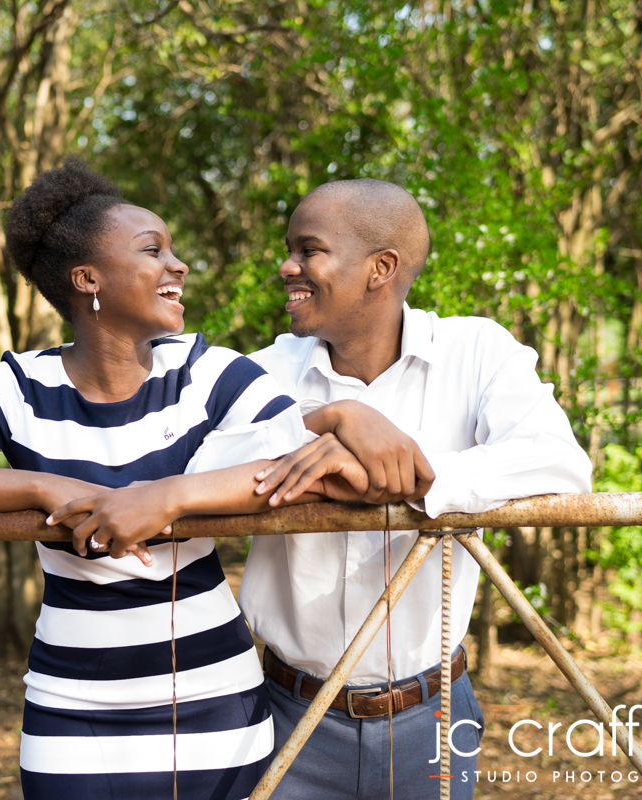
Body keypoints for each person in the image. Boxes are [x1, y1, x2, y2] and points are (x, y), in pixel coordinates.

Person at [0, 159, 366, 800]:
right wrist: (41, 486)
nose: (178, 266)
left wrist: (167, 498)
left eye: (173, 251)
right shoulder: (16, 387)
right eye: (154, 250)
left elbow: (322, 462)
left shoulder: (206, 374)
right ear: (87, 278)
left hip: (214, 705)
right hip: (73, 710)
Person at [241, 178, 594, 800]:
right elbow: (203, 469)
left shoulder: (477, 351)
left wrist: (417, 478)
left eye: (308, 249)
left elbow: (562, 465)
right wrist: (332, 431)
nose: (286, 266)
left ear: (382, 268)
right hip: (286, 714)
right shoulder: (264, 372)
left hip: (433, 715)